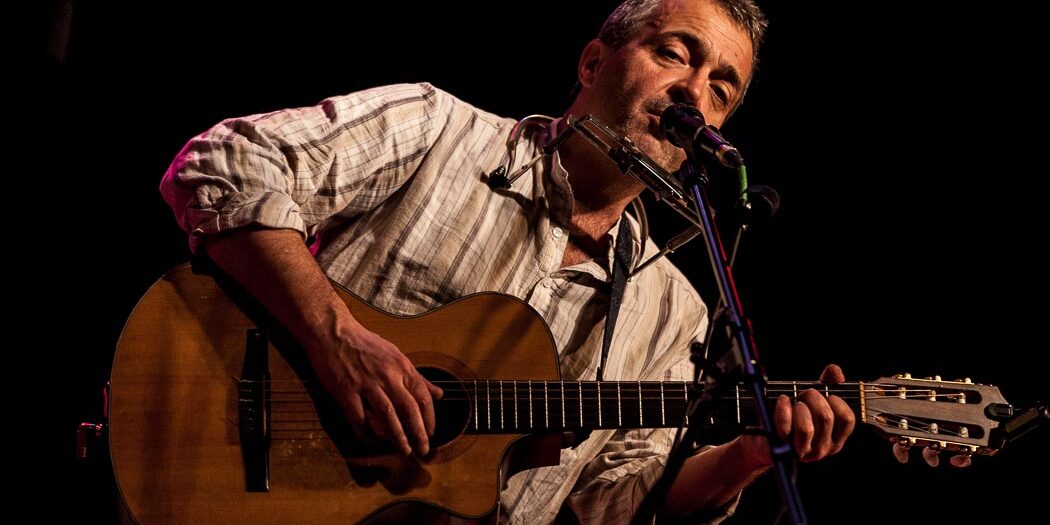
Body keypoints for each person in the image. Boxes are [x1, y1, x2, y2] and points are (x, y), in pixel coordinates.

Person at [160, 1, 859, 522]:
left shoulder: (671, 308)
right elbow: (221, 165)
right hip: (230, 471)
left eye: (722, 88)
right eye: (676, 54)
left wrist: (747, 456)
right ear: (593, 63)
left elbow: (604, 506)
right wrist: (335, 339)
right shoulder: (438, 130)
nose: (694, 93)